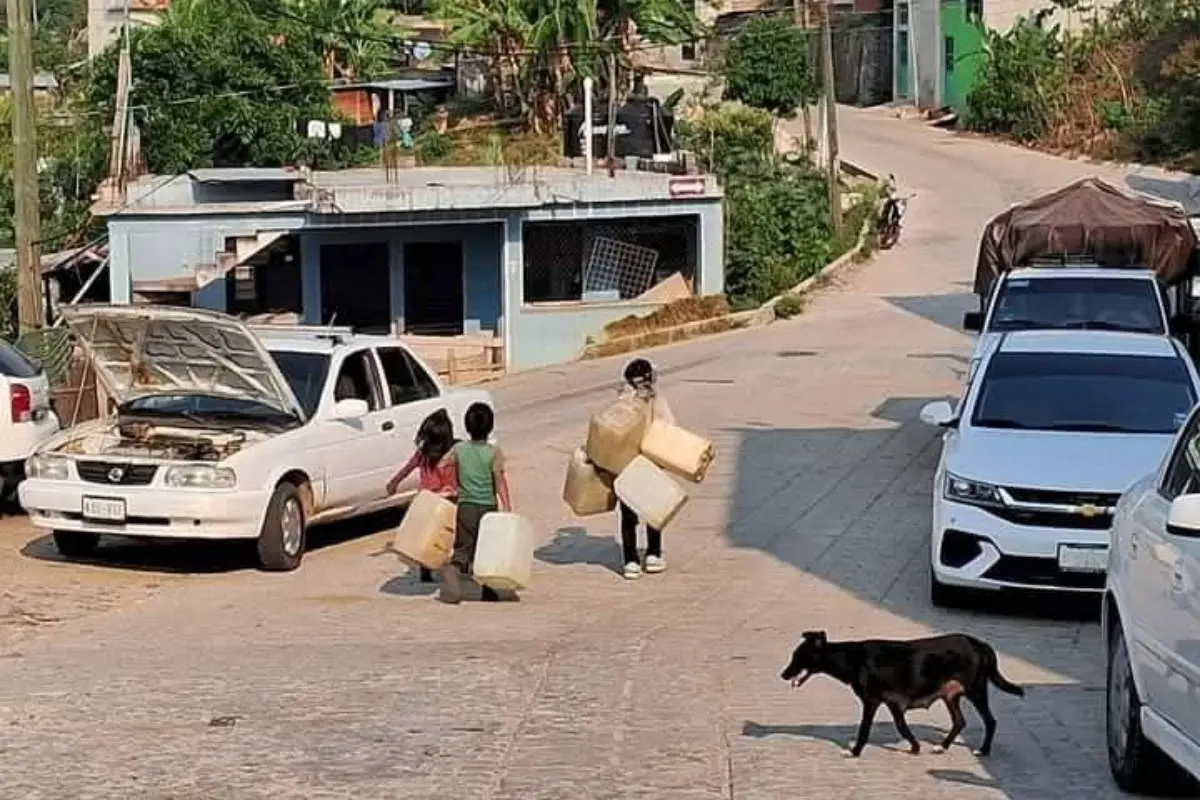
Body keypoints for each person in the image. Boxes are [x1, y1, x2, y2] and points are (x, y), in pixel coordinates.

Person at [438, 402, 512, 604]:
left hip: (466, 507)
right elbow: (499, 480)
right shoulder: (494, 452)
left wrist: (451, 486)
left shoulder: (459, 449)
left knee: (463, 548)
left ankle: (453, 574)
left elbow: (442, 464)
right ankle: (488, 591)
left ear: (467, 426)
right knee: (487, 551)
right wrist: (507, 506)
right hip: (488, 508)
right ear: (490, 427)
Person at [617, 357, 675, 581]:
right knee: (654, 511)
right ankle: (653, 554)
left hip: (625, 464)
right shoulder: (658, 401)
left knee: (628, 516)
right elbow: (670, 428)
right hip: (651, 462)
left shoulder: (621, 402)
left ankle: (630, 561)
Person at [386, 408, 458, 582]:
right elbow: (409, 466)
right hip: (431, 500)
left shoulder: (449, 456)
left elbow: (454, 481)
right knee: (429, 535)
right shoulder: (429, 454)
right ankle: (428, 567)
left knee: (437, 535)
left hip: (441, 501)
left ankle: (433, 565)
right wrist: (395, 482)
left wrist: (395, 482)